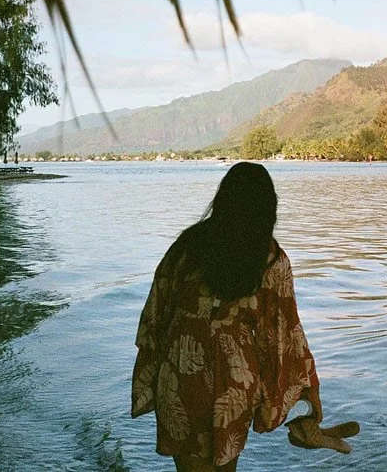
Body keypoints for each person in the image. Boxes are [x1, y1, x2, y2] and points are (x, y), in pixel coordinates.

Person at [132, 162, 322, 471]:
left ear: (223, 198)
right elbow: (284, 335)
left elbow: (155, 316)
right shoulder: (269, 257)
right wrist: (305, 393)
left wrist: (152, 375)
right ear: (267, 207)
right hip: (232, 379)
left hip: (180, 371)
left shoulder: (186, 246)